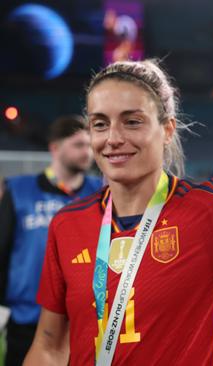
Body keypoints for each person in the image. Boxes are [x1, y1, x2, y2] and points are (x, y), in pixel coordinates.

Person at [24, 59, 213, 365]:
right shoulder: (67, 224)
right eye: (100, 123)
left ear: (167, 129)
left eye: (132, 121)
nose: (113, 138)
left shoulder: (211, 211)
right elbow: (49, 345)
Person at [0, 115, 102, 365]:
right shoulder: (19, 189)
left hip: (83, 319)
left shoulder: (102, 192)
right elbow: (2, 247)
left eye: (90, 145)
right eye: (78, 145)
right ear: (55, 148)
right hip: (26, 317)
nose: (87, 152)